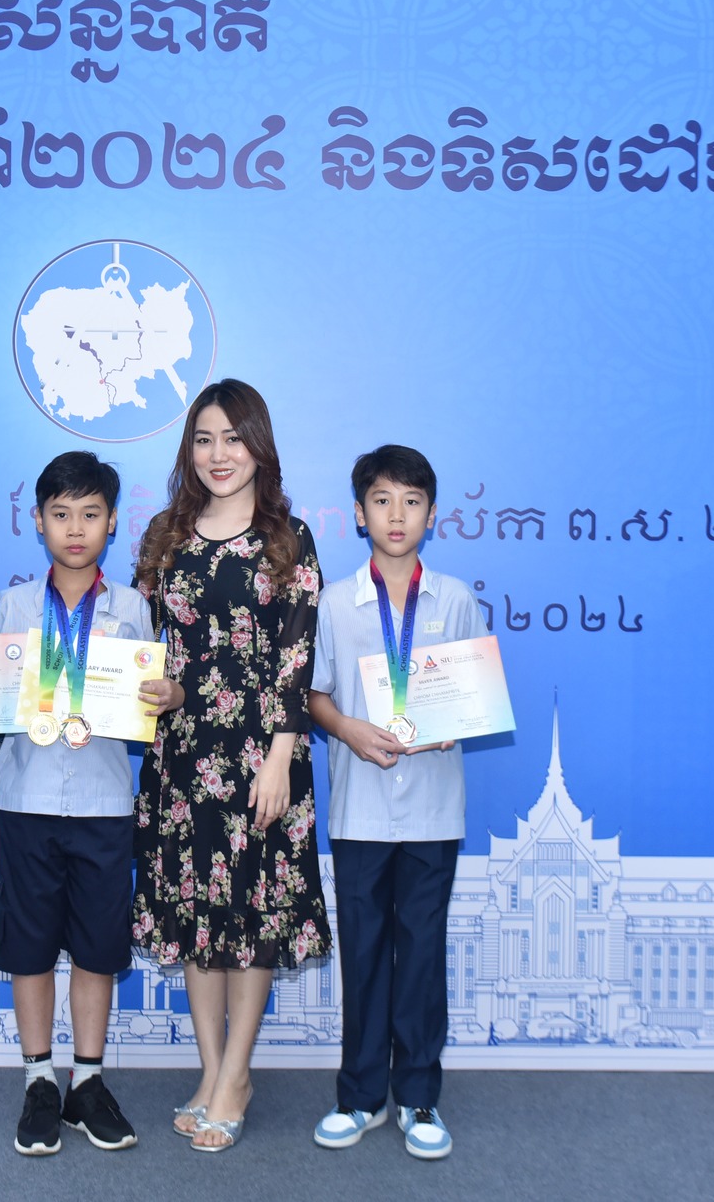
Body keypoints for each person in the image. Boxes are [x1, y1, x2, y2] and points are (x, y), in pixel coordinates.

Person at [0, 450, 183, 1156]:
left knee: (96, 947)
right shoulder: (18, 606)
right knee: (28, 947)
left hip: (104, 805)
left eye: (90, 514)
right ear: (38, 521)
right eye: (60, 514)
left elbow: (150, 700)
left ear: (112, 523)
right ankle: (38, 1082)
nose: (75, 528)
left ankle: (86, 1081)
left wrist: (167, 694)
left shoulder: (132, 609)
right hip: (25, 800)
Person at [131, 379, 330, 1153]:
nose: (219, 454)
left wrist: (279, 758)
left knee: (252, 917)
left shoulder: (289, 539)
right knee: (197, 915)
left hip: (260, 758)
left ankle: (238, 1074)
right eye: (205, 439)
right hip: (181, 757)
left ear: (259, 446)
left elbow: (296, 661)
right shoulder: (165, 535)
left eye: (234, 438)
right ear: (189, 449)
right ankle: (212, 1070)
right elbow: (149, 650)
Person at [306, 445, 481, 1161]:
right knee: (366, 952)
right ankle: (359, 1096)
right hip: (361, 810)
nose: (397, 514)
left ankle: (417, 1095)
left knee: (422, 954)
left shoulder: (457, 599)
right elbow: (315, 695)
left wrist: (454, 720)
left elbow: (472, 694)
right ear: (359, 514)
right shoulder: (334, 604)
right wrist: (346, 728)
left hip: (434, 808)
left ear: (432, 514)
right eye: (382, 500)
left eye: (412, 501)